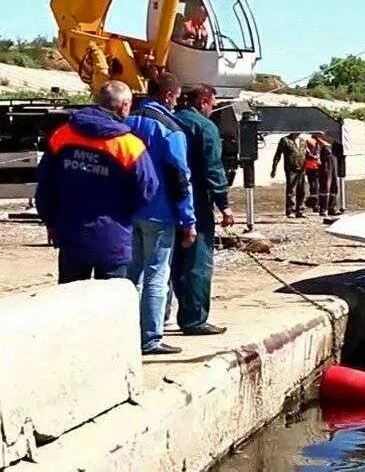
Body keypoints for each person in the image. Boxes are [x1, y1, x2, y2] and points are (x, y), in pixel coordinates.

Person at [35, 80, 158, 284]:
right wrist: (124, 212)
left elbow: (45, 185)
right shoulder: (128, 145)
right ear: (124, 105)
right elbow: (147, 188)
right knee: (110, 307)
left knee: (72, 303)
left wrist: (51, 221)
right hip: (113, 238)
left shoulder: (62, 135)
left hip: (71, 235)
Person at [126, 72, 196, 355]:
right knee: (157, 274)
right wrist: (188, 219)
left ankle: (126, 332)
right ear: (168, 95)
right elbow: (180, 175)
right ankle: (150, 337)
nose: (177, 103)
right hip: (160, 211)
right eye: (177, 98)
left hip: (128, 209)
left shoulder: (126, 122)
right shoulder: (170, 128)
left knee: (131, 275)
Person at [173, 84, 234, 336]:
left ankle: (172, 314)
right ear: (204, 101)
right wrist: (225, 205)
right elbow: (213, 168)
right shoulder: (205, 127)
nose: (214, 109)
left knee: (175, 261)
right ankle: (194, 319)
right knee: (197, 262)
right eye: (213, 104)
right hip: (197, 200)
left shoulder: (171, 120)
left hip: (169, 201)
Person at [270, 132, 307, 218]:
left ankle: (300, 210)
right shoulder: (285, 140)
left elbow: (305, 154)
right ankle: (290, 210)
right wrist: (274, 168)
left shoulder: (303, 141)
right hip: (291, 169)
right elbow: (277, 155)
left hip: (302, 168)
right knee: (291, 190)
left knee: (302, 190)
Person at [315, 132, 339, 216]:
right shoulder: (319, 141)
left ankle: (332, 208)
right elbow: (316, 154)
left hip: (334, 166)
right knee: (325, 187)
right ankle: (323, 208)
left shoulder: (335, 142)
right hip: (325, 166)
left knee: (334, 186)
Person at [303, 135, 321, 213]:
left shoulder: (318, 142)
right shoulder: (310, 141)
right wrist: (314, 157)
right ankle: (315, 204)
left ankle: (316, 204)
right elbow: (307, 152)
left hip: (315, 166)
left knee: (315, 186)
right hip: (312, 166)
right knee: (314, 186)